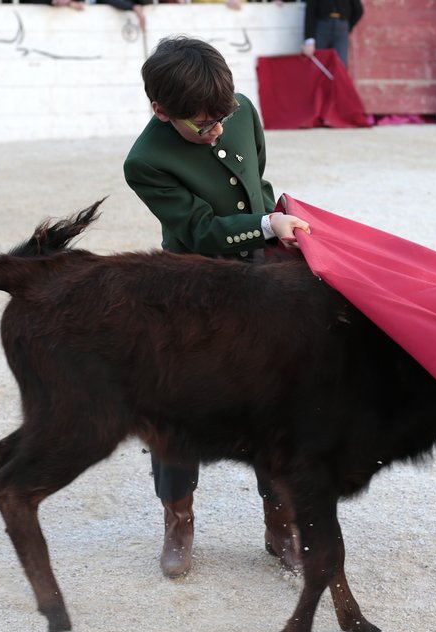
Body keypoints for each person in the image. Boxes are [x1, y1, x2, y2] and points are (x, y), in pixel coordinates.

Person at [123, 36, 310, 579]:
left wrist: (276, 226)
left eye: (223, 116)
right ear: (161, 111)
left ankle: (280, 524)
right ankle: (178, 520)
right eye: (203, 125)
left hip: (262, 279)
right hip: (191, 288)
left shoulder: (241, 109)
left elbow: (258, 181)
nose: (218, 130)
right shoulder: (146, 161)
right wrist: (261, 226)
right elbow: (199, 229)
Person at [299, 0, 364, 69]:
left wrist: (347, 27)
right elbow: (310, 12)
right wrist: (309, 40)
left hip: (340, 29)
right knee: (319, 64)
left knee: (340, 66)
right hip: (322, 28)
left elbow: (358, 10)